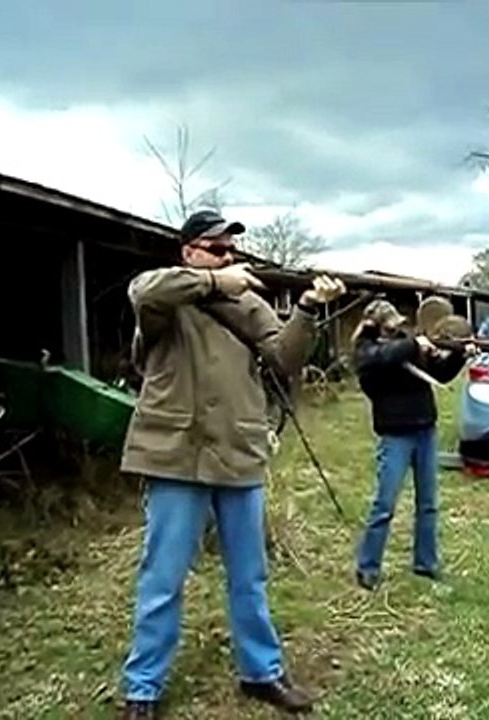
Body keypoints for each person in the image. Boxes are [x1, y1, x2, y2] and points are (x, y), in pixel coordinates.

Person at [118, 209, 346, 719]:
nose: (228, 256)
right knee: (163, 578)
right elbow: (144, 291)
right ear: (189, 252)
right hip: (176, 454)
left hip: (238, 450)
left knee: (250, 576)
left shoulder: (250, 303)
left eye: (231, 251)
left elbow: (285, 358)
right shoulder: (165, 299)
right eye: (216, 248)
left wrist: (308, 308)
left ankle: (261, 674)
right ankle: (143, 687)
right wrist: (216, 280)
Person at [351, 299, 473, 591]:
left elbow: (440, 373)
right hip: (395, 435)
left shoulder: (407, 344)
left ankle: (426, 564)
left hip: (425, 430)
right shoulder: (367, 352)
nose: (397, 328)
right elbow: (381, 359)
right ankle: (367, 567)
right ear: (375, 325)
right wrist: (415, 345)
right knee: (385, 505)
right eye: (391, 325)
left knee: (428, 505)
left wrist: (459, 355)